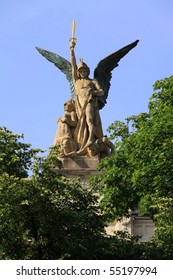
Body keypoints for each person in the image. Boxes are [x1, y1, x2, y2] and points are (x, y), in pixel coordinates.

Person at [70, 39, 104, 155]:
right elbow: (73, 65)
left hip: (89, 102)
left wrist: (92, 92)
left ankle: (90, 139)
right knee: (81, 122)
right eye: (81, 71)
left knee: (89, 120)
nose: (83, 72)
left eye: (85, 70)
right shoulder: (77, 81)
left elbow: (101, 92)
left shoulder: (92, 81)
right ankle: (80, 143)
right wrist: (72, 49)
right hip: (79, 104)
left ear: (87, 71)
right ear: (79, 73)